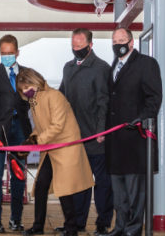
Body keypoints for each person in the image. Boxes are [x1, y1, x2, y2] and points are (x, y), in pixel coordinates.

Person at [16, 67, 94, 236]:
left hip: (65, 148)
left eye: (27, 87)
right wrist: (31, 139)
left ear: (35, 81)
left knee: (64, 190)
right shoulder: (34, 100)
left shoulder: (55, 96)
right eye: (22, 90)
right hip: (51, 150)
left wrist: (37, 141)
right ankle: (38, 226)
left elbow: (57, 125)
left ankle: (71, 228)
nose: (26, 92)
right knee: (42, 186)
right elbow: (40, 126)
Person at [105, 27, 162, 236]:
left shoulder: (146, 64)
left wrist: (141, 119)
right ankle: (120, 227)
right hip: (115, 140)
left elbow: (154, 98)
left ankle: (133, 229)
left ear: (131, 43)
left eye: (121, 39)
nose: (117, 43)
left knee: (135, 190)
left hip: (135, 140)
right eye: (114, 40)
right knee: (119, 191)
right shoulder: (113, 66)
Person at [60, 28, 113, 236]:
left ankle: (103, 223)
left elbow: (104, 102)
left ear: (90, 45)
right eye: (73, 46)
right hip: (74, 138)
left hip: (96, 137)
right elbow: (61, 97)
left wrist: (101, 131)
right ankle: (77, 222)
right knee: (79, 184)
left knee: (102, 183)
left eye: (80, 46)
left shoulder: (101, 68)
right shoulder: (68, 67)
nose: (76, 49)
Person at [0, 34, 32, 233]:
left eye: (10, 53)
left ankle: (15, 220)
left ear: (17, 52)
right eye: (3, 53)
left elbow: (33, 103)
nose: (7, 56)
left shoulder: (27, 74)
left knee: (18, 177)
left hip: (20, 130)